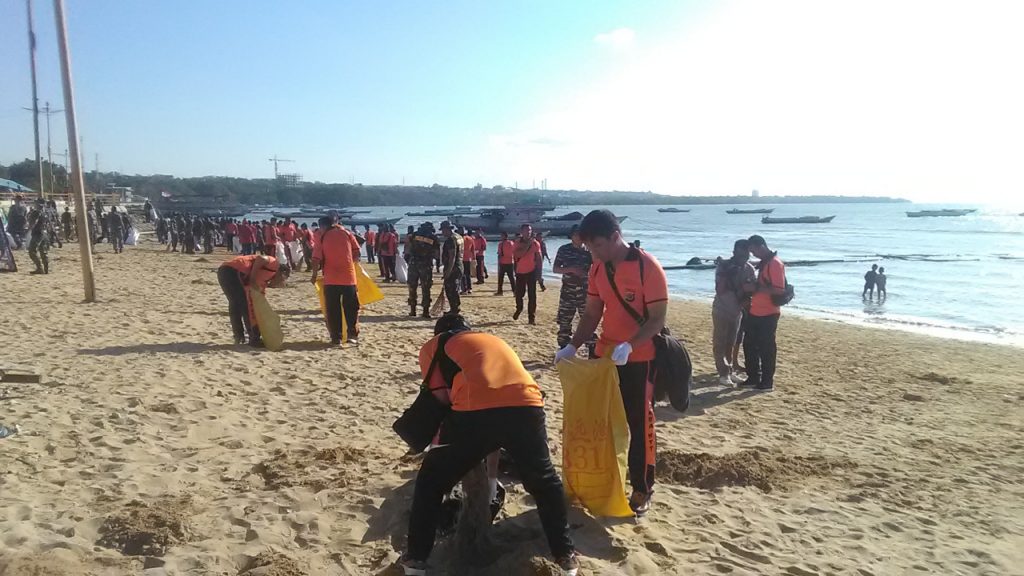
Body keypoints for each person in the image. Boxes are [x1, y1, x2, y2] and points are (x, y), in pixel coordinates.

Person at [401, 314, 579, 576]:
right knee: (544, 481)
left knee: (431, 481)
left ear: (438, 332)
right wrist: (492, 477)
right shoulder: (491, 341)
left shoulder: (435, 345)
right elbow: (495, 424)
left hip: (474, 411)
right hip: (528, 405)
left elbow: (441, 398)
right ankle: (565, 556)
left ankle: (415, 560)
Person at [554, 209, 668, 516]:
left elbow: (657, 319)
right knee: (600, 424)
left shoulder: (647, 267)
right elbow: (592, 313)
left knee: (638, 422)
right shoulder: (597, 268)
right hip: (604, 356)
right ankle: (602, 481)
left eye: (598, 246)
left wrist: (630, 345)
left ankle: (643, 488)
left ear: (616, 237)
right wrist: (572, 345)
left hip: (639, 357)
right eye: (590, 247)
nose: (594, 252)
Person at [741, 235, 786, 392]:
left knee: (766, 348)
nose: (753, 254)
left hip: (769, 313)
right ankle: (753, 377)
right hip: (756, 310)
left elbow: (779, 290)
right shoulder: (765, 262)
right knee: (749, 345)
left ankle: (767, 381)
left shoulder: (774, 264)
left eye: (754, 251)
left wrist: (755, 288)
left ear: (761, 246)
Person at [310, 213, 363, 346]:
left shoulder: (322, 236)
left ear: (324, 226)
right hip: (349, 279)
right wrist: (351, 264)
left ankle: (336, 338)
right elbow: (357, 252)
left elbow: (316, 258)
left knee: (333, 310)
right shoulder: (347, 233)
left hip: (331, 279)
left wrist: (314, 275)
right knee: (351, 308)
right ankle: (352, 335)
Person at [218, 253, 288, 346]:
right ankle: (254, 338)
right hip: (235, 270)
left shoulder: (264, 280)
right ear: (282, 273)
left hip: (224, 270)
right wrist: (252, 278)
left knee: (235, 304)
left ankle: (239, 336)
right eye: (282, 280)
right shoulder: (275, 264)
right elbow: (261, 258)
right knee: (245, 305)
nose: (279, 283)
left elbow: (258, 295)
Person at [713, 240, 756, 386]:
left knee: (731, 343)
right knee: (720, 342)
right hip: (721, 309)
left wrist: (745, 288)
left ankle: (730, 371)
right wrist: (728, 274)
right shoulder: (723, 266)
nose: (743, 259)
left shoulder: (749, 268)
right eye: (740, 255)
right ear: (734, 253)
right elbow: (720, 289)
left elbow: (753, 290)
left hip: (737, 311)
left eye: (746, 256)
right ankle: (723, 373)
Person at [552, 225, 595, 354]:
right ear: (571, 236)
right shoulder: (564, 250)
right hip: (568, 292)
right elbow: (555, 269)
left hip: (585, 292)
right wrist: (570, 269)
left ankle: (592, 348)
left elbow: (598, 269)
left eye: (581, 234)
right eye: (576, 234)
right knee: (565, 321)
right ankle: (564, 348)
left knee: (588, 321)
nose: (579, 237)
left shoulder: (589, 252)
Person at [407, 223, 438, 318]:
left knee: (412, 287)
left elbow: (409, 249)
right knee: (426, 288)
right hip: (426, 265)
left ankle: (413, 310)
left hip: (413, 264)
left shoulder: (414, 235)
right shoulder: (434, 238)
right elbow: (437, 254)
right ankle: (425, 311)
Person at [513, 224, 542, 324]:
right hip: (520, 271)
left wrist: (539, 273)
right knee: (519, 294)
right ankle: (519, 308)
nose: (528, 232)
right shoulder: (517, 242)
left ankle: (531, 317)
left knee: (532, 295)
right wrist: (528, 245)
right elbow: (517, 254)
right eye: (526, 230)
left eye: (530, 230)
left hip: (532, 271)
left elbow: (539, 258)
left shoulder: (535, 243)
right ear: (522, 232)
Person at [439, 221, 463, 315]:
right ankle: (455, 308)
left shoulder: (450, 240)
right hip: (460, 266)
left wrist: (448, 271)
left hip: (453, 268)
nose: (442, 233)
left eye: (443, 230)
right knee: (455, 288)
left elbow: (452, 257)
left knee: (451, 289)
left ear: (447, 229)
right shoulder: (459, 237)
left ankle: (454, 309)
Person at [26, 201, 52, 274]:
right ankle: (46, 269)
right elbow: (49, 224)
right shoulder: (45, 213)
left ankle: (39, 268)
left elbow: (34, 222)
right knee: (43, 251)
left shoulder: (36, 212)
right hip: (44, 233)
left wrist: (29, 228)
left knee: (32, 251)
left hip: (37, 233)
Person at [496, 231, 515, 295]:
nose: (501, 237)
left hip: (503, 262)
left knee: (501, 278)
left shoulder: (501, 244)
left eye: (502, 236)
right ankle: (514, 291)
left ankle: (500, 291)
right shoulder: (512, 243)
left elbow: (500, 254)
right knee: (511, 278)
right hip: (510, 262)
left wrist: (499, 262)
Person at [460, 226, 476, 294]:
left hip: (461, 258)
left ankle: (464, 289)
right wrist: (474, 258)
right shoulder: (470, 239)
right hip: (468, 258)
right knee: (468, 274)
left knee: (462, 274)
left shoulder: (460, 239)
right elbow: (473, 249)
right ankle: (470, 288)